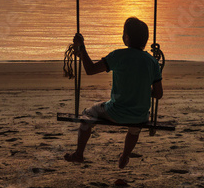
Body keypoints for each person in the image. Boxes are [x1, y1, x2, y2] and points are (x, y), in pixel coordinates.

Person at [64, 17, 163, 169]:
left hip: (116, 113)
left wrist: (82, 49)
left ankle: (79, 153)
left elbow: (90, 69)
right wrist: (141, 88)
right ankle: (125, 156)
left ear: (127, 38)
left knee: (87, 115)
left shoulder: (118, 56)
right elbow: (158, 94)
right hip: (140, 115)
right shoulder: (152, 62)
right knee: (135, 128)